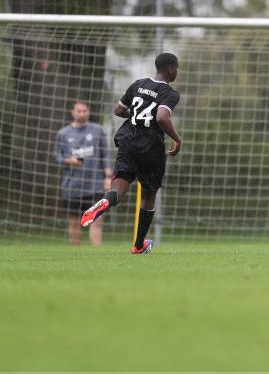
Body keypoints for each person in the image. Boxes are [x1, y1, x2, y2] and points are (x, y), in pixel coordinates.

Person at [80, 53, 183, 254]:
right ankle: (138, 245)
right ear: (171, 69)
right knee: (148, 195)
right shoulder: (170, 93)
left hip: (128, 140)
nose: (177, 71)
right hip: (151, 146)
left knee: (117, 190)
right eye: (176, 68)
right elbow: (162, 117)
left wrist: (135, 116)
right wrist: (177, 139)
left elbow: (118, 110)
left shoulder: (138, 84)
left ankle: (104, 202)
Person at [53, 101, 112, 246]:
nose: (82, 114)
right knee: (74, 223)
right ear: (72, 112)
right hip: (72, 187)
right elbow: (56, 156)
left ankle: (97, 255)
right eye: (79, 111)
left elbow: (105, 155)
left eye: (84, 111)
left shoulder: (97, 130)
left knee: (96, 222)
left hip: (95, 186)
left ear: (88, 112)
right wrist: (68, 160)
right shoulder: (63, 133)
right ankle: (76, 253)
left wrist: (108, 177)